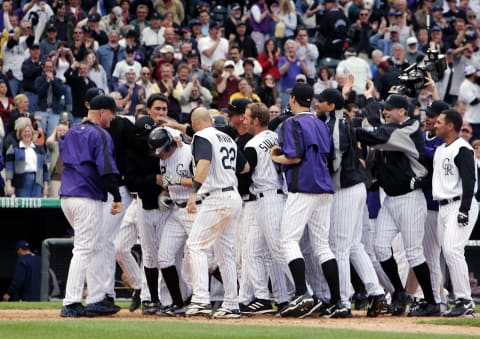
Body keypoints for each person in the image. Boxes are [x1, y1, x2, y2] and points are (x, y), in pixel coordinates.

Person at [356, 92, 439, 317]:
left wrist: (353, 130)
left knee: (414, 253)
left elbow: (380, 137)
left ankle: (432, 302)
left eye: (390, 109)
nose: (385, 111)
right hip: (390, 199)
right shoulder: (390, 129)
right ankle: (400, 293)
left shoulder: (409, 128)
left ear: (402, 111)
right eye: (384, 108)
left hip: (411, 198)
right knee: (380, 247)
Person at [270, 83, 344, 318]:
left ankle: (302, 294)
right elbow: (331, 156)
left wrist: (276, 156)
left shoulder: (291, 122)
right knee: (322, 245)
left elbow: (294, 156)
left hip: (303, 185)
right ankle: (337, 302)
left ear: (292, 99)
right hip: (324, 186)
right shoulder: (321, 124)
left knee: (288, 240)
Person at [314, 87, 387, 317]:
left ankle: (342, 301)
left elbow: (334, 159)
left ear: (331, 106)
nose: (317, 104)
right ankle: (377, 294)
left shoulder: (336, 123)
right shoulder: (338, 121)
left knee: (339, 247)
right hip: (355, 187)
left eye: (321, 101)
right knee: (354, 245)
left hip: (345, 188)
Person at [59, 95, 122, 317]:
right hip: (87, 196)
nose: (113, 118)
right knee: (85, 248)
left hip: (67, 195)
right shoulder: (100, 134)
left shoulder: (71, 131)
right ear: (103, 111)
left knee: (91, 246)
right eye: (112, 113)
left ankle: (97, 298)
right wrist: (116, 195)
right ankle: (71, 302)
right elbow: (106, 168)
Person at [184, 107, 244, 318]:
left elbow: (204, 162)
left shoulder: (201, 135)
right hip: (232, 195)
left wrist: (193, 193)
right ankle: (231, 304)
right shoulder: (227, 137)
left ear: (194, 124)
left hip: (217, 197)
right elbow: (242, 167)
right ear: (210, 119)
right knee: (225, 254)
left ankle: (200, 300)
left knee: (195, 246)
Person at [432, 109, 478, 317]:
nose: (436, 125)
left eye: (440, 122)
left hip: (460, 203)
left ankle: (465, 300)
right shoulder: (441, 149)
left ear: (450, 126)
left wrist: (465, 209)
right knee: (448, 251)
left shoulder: (463, 148)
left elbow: (470, 182)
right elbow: (439, 180)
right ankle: (456, 299)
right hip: (443, 205)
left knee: (452, 250)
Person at [5, 123, 48, 198]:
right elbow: (9, 168)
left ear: (32, 133)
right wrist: (8, 185)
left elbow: (45, 169)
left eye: (29, 131)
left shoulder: (39, 149)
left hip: (37, 181)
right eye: (24, 131)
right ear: (20, 134)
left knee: (36, 206)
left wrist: (45, 186)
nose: (27, 133)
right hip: (21, 181)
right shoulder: (14, 148)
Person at [46, 122, 69, 198]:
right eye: (60, 130)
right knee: (54, 202)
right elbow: (48, 142)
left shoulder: (72, 146)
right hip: (55, 179)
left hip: (68, 180)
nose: (62, 132)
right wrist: (55, 131)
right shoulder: (55, 145)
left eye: (64, 130)